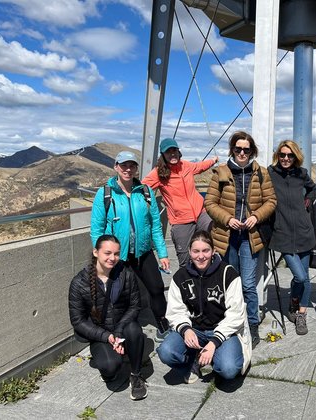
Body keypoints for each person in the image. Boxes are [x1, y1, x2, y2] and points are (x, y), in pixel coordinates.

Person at [204, 131, 277, 348]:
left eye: (246, 149)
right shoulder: (221, 172)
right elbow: (210, 203)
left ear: (252, 151)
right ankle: (230, 323)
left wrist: (256, 216)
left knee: (247, 284)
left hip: (250, 237)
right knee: (229, 283)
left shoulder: (261, 173)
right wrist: (227, 219)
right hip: (226, 237)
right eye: (238, 149)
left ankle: (251, 324)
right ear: (232, 150)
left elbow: (271, 201)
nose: (242, 153)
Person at [90, 150, 171, 341]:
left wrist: (162, 253)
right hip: (117, 255)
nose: (128, 169)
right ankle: (124, 331)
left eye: (132, 165)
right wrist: (102, 255)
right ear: (116, 167)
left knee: (157, 288)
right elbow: (97, 229)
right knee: (120, 294)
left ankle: (162, 324)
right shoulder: (105, 194)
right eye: (123, 165)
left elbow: (155, 225)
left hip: (143, 252)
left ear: (136, 169)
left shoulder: (145, 192)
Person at [156, 230, 251, 383]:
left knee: (228, 368)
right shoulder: (180, 277)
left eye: (205, 250)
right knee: (166, 352)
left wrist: (214, 342)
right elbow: (175, 311)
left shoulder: (228, 274)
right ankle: (192, 360)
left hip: (223, 330)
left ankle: (214, 357)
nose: (201, 256)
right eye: (196, 251)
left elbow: (236, 313)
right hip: (194, 330)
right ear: (189, 252)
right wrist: (185, 330)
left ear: (213, 251)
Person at [68, 235, 148, 400]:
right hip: (100, 334)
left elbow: (135, 306)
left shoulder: (126, 274)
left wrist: (118, 332)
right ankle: (111, 361)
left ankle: (136, 375)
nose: (112, 258)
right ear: (96, 252)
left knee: (134, 330)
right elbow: (78, 320)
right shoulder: (79, 282)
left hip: (122, 328)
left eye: (116, 253)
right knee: (110, 366)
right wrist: (107, 337)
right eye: (107, 253)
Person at [142, 138, 219, 268]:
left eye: (174, 150)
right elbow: (142, 187)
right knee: (185, 260)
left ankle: (212, 273)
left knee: (214, 236)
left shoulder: (186, 165)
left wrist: (213, 161)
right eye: (168, 152)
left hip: (200, 213)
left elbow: (200, 166)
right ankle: (188, 279)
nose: (172, 154)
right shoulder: (158, 173)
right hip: (181, 220)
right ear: (163, 155)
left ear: (179, 152)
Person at [268, 140, 316, 335]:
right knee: (300, 276)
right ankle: (293, 302)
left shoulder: (301, 174)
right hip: (283, 233)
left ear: (295, 157)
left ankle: (301, 314)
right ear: (278, 156)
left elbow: (312, 188)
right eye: (282, 155)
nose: (286, 158)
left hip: (304, 232)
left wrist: (308, 201)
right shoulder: (270, 173)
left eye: (290, 155)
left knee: (305, 278)